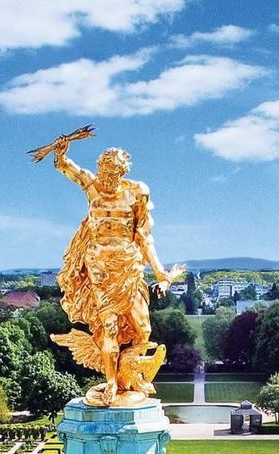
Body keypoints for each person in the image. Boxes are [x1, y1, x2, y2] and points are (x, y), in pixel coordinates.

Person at [50, 140, 183, 406]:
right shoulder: (92, 186)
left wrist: (159, 272)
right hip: (99, 267)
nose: (108, 179)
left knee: (143, 330)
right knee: (108, 327)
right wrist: (61, 155)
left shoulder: (137, 192)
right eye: (104, 172)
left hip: (129, 266)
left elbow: (144, 235)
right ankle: (111, 382)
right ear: (100, 169)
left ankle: (128, 374)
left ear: (122, 172)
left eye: (113, 174)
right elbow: (69, 169)